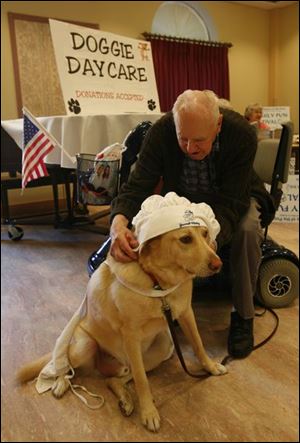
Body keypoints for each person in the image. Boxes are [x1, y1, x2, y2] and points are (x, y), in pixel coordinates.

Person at [108, 89, 276, 358]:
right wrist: (118, 224)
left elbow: (232, 204)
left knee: (246, 229)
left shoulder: (241, 134)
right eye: (182, 138)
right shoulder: (161, 132)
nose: (189, 148)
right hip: (184, 201)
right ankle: (166, 302)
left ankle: (243, 315)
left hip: (234, 197)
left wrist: (207, 241)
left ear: (218, 125)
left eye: (199, 140)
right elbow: (137, 187)